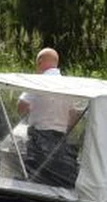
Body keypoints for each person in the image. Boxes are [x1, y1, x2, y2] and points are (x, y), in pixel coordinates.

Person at [18, 48, 78, 186]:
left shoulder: (38, 82)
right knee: (53, 178)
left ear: (39, 62)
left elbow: (21, 106)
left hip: (39, 138)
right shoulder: (70, 85)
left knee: (36, 177)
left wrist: (30, 110)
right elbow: (74, 114)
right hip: (60, 139)